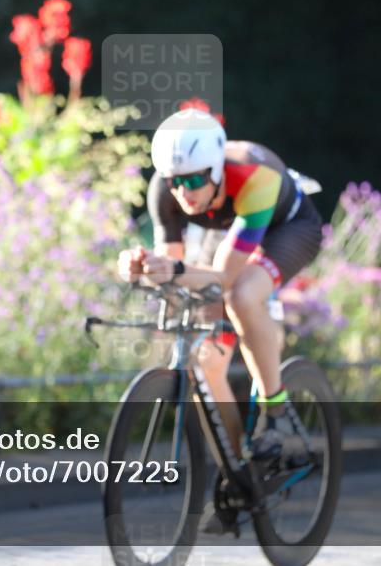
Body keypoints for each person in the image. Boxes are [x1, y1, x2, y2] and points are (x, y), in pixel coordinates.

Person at [117, 108, 323, 534]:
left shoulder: (254, 177)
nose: (183, 192)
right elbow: (173, 271)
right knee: (206, 360)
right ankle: (242, 470)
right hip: (227, 224)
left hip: (285, 227)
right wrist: (138, 267)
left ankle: (275, 409)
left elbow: (226, 276)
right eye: (176, 182)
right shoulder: (167, 187)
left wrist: (173, 272)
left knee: (243, 294)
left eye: (194, 180)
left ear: (214, 169)